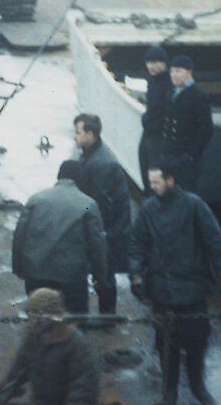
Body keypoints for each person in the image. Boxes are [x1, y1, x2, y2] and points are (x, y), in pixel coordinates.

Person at [131, 162, 221, 405]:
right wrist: (135, 274)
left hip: (192, 288)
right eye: (150, 182)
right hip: (162, 290)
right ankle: (170, 391)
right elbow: (137, 245)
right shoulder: (148, 210)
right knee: (166, 343)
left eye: (156, 181)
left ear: (170, 180)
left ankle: (198, 385)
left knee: (197, 338)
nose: (151, 186)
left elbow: (214, 242)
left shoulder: (194, 205)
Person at [12, 159, 108, 316]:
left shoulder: (36, 199)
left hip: (36, 273)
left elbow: (19, 236)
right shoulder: (87, 204)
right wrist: (100, 277)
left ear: (58, 176)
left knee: (38, 319)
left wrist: (19, 268)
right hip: (71, 277)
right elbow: (97, 244)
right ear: (79, 179)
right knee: (74, 321)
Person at [71, 114, 133, 322]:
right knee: (103, 272)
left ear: (90, 134)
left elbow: (101, 206)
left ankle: (108, 318)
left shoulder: (101, 164)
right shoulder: (92, 155)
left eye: (78, 133)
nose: (74, 137)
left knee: (104, 273)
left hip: (107, 231)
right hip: (106, 227)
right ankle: (107, 316)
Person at [0, 288, 101, 405]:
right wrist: (6, 391)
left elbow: (84, 392)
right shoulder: (34, 338)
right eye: (30, 317)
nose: (31, 323)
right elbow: (18, 369)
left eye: (36, 318)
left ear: (54, 315)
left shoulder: (77, 346)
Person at [163, 54, 213, 190]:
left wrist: (191, 156)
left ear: (189, 72)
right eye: (172, 71)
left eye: (178, 71)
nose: (174, 75)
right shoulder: (170, 94)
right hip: (170, 154)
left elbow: (206, 129)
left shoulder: (199, 97)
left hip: (186, 158)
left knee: (184, 195)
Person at [138, 44, 173, 189]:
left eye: (154, 62)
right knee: (143, 162)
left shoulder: (169, 83)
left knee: (155, 169)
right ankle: (147, 193)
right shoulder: (152, 80)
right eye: (148, 62)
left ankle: (156, 195)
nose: (151, 66)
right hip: (148, 131)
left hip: (158, 134)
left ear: (164, 63)